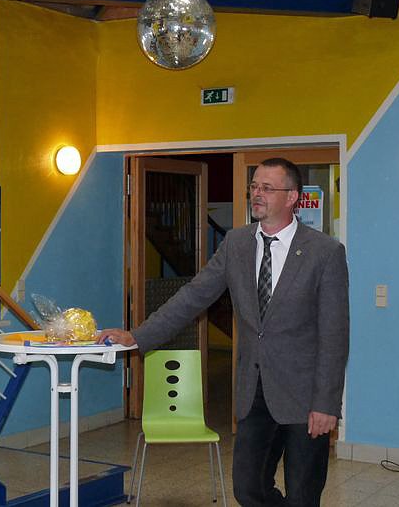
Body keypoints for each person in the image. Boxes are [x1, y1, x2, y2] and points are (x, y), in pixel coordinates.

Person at [97, 157, 349, 506]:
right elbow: (192, 297)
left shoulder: (325, 252)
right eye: (254, 186)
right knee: (248, 488)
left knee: (303, 495)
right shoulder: (236, 244)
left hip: (305, 397)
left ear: (292, 197)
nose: (256, 194)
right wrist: (138, 336)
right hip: (253, 391)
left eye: (267, 188)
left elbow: (335, 335)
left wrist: (326, 403)